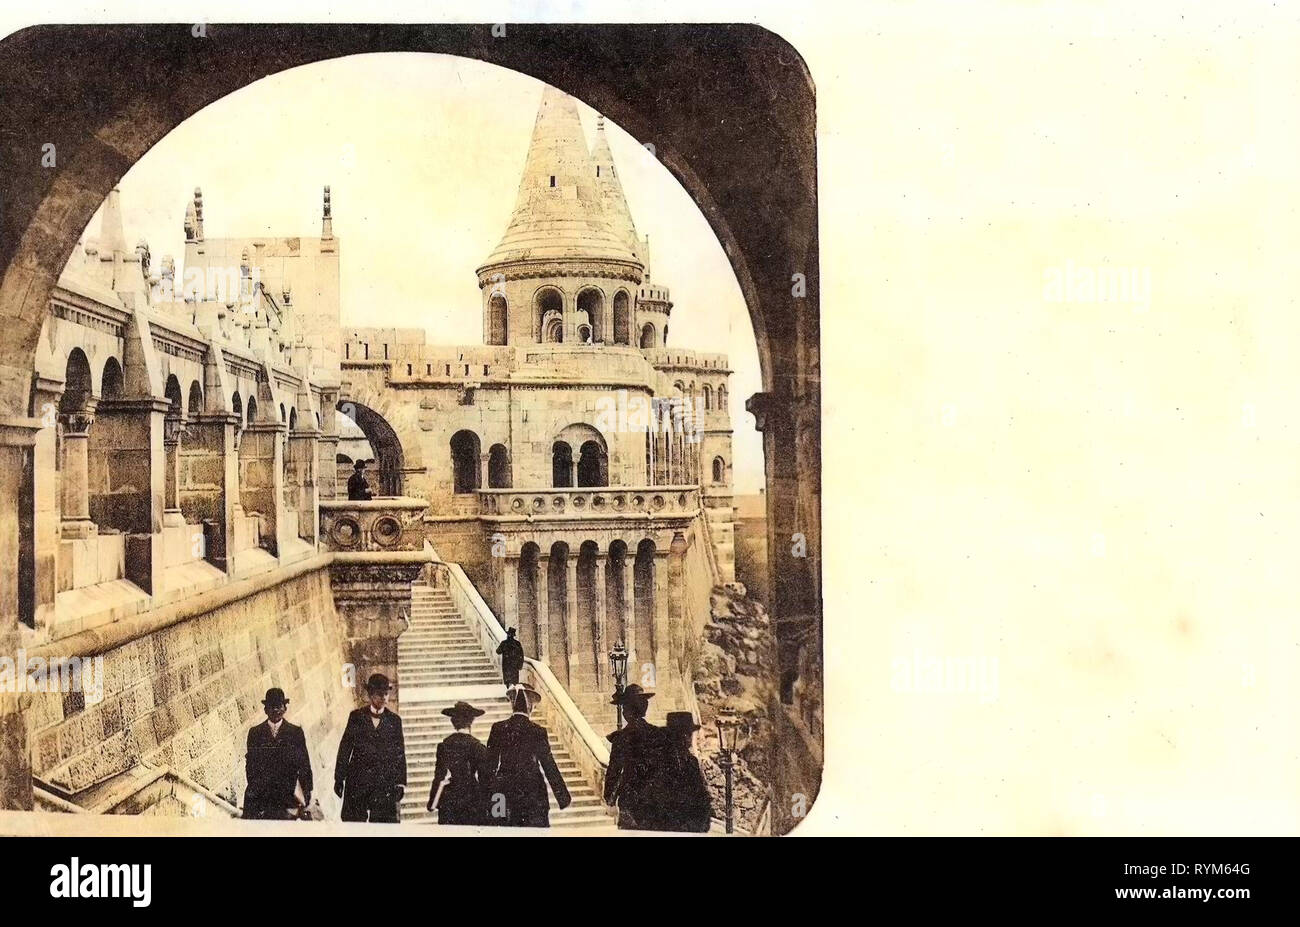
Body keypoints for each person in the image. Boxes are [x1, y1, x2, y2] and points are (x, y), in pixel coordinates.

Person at [484, 683, 571, 827]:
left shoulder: (498, 728)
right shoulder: (538, 731)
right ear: (530, 707)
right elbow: (549, 765)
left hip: (504, 793)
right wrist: (563, 797)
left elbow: (489, 766)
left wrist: (488, 797)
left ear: (513, 705)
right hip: (533, 793)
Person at [334, 673, 407, 823]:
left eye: (386, 694)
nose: (384, 698)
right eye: (380, 694)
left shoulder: (394, 721)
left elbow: (399, 753)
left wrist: (400, 782)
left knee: (384, 825)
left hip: (384, 782)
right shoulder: (356, 717)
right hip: (358, 780)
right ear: (370, 694)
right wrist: (339, 778)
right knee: (353, 823)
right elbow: (345, 748)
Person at [603, 684, 668, 830]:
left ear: (627, 712)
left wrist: (610, 799)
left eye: (624, 707)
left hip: (630, 800)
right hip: (655, 799)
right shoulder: (657, 734)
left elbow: (614, 771)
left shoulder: (621, 738)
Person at [242, 687, 313, 820]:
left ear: (285, 708)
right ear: (265, 710)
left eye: (278, 706)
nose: (275, 710)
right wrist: (256, 788)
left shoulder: (295, 733)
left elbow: (304, 764)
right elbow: (251, 766)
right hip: (263, 794)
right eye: (271, 706)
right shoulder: (255, 733)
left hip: (287, 793)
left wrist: (306, 792)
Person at [427, 701, 490, 826]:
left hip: (450, 799)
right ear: (471, 722)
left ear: (453, 722)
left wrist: (432, 802)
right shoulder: (478, 746)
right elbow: (485, 778)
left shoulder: (444, 745)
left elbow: (439, 777)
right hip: (472, 799)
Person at [660, 711, 712, 833]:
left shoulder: (657, 757)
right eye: (689, 734)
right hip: (683, 825)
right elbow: (701, 798)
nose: (690, 738)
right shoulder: (690, 762)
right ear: (683, 735)